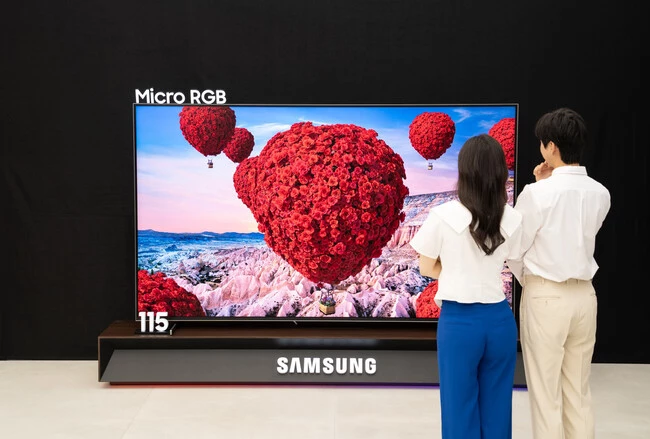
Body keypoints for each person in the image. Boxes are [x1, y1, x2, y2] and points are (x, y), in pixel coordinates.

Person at [409, 133, 523, 439]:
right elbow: (512, 260)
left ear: (464, 172)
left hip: (459, 323)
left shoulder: (443, 215)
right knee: (498, 409)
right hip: (500, 321)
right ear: (500, 173)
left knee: (459, 409)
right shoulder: (513, 218)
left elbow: (426, 267)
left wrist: (456, 270)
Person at [507, 107, 611, 439]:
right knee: (578, 393)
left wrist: (531, 280)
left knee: (546, 395)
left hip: (546, 296)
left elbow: (514, 249)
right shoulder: (601, 193)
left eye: (542, 143)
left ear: (551, 147)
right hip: (585, 296)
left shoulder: (536, 193)